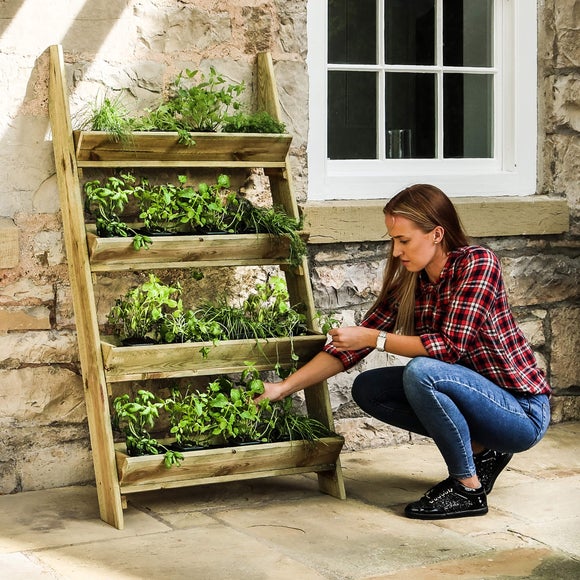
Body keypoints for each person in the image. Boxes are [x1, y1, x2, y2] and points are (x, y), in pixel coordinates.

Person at [256, 184, 551, 520]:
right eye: (393, 240)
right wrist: (283, 387)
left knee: (423, 372)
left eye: (404, 240)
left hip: (521, 412)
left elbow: (449, 347)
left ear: (437, 234)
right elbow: (349, 349)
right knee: (369, 388)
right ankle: (483, 452)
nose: (396, 251)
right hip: (477, 401)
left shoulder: (478, 264)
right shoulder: (411, 282)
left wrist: (372, 337)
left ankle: (467, 489)